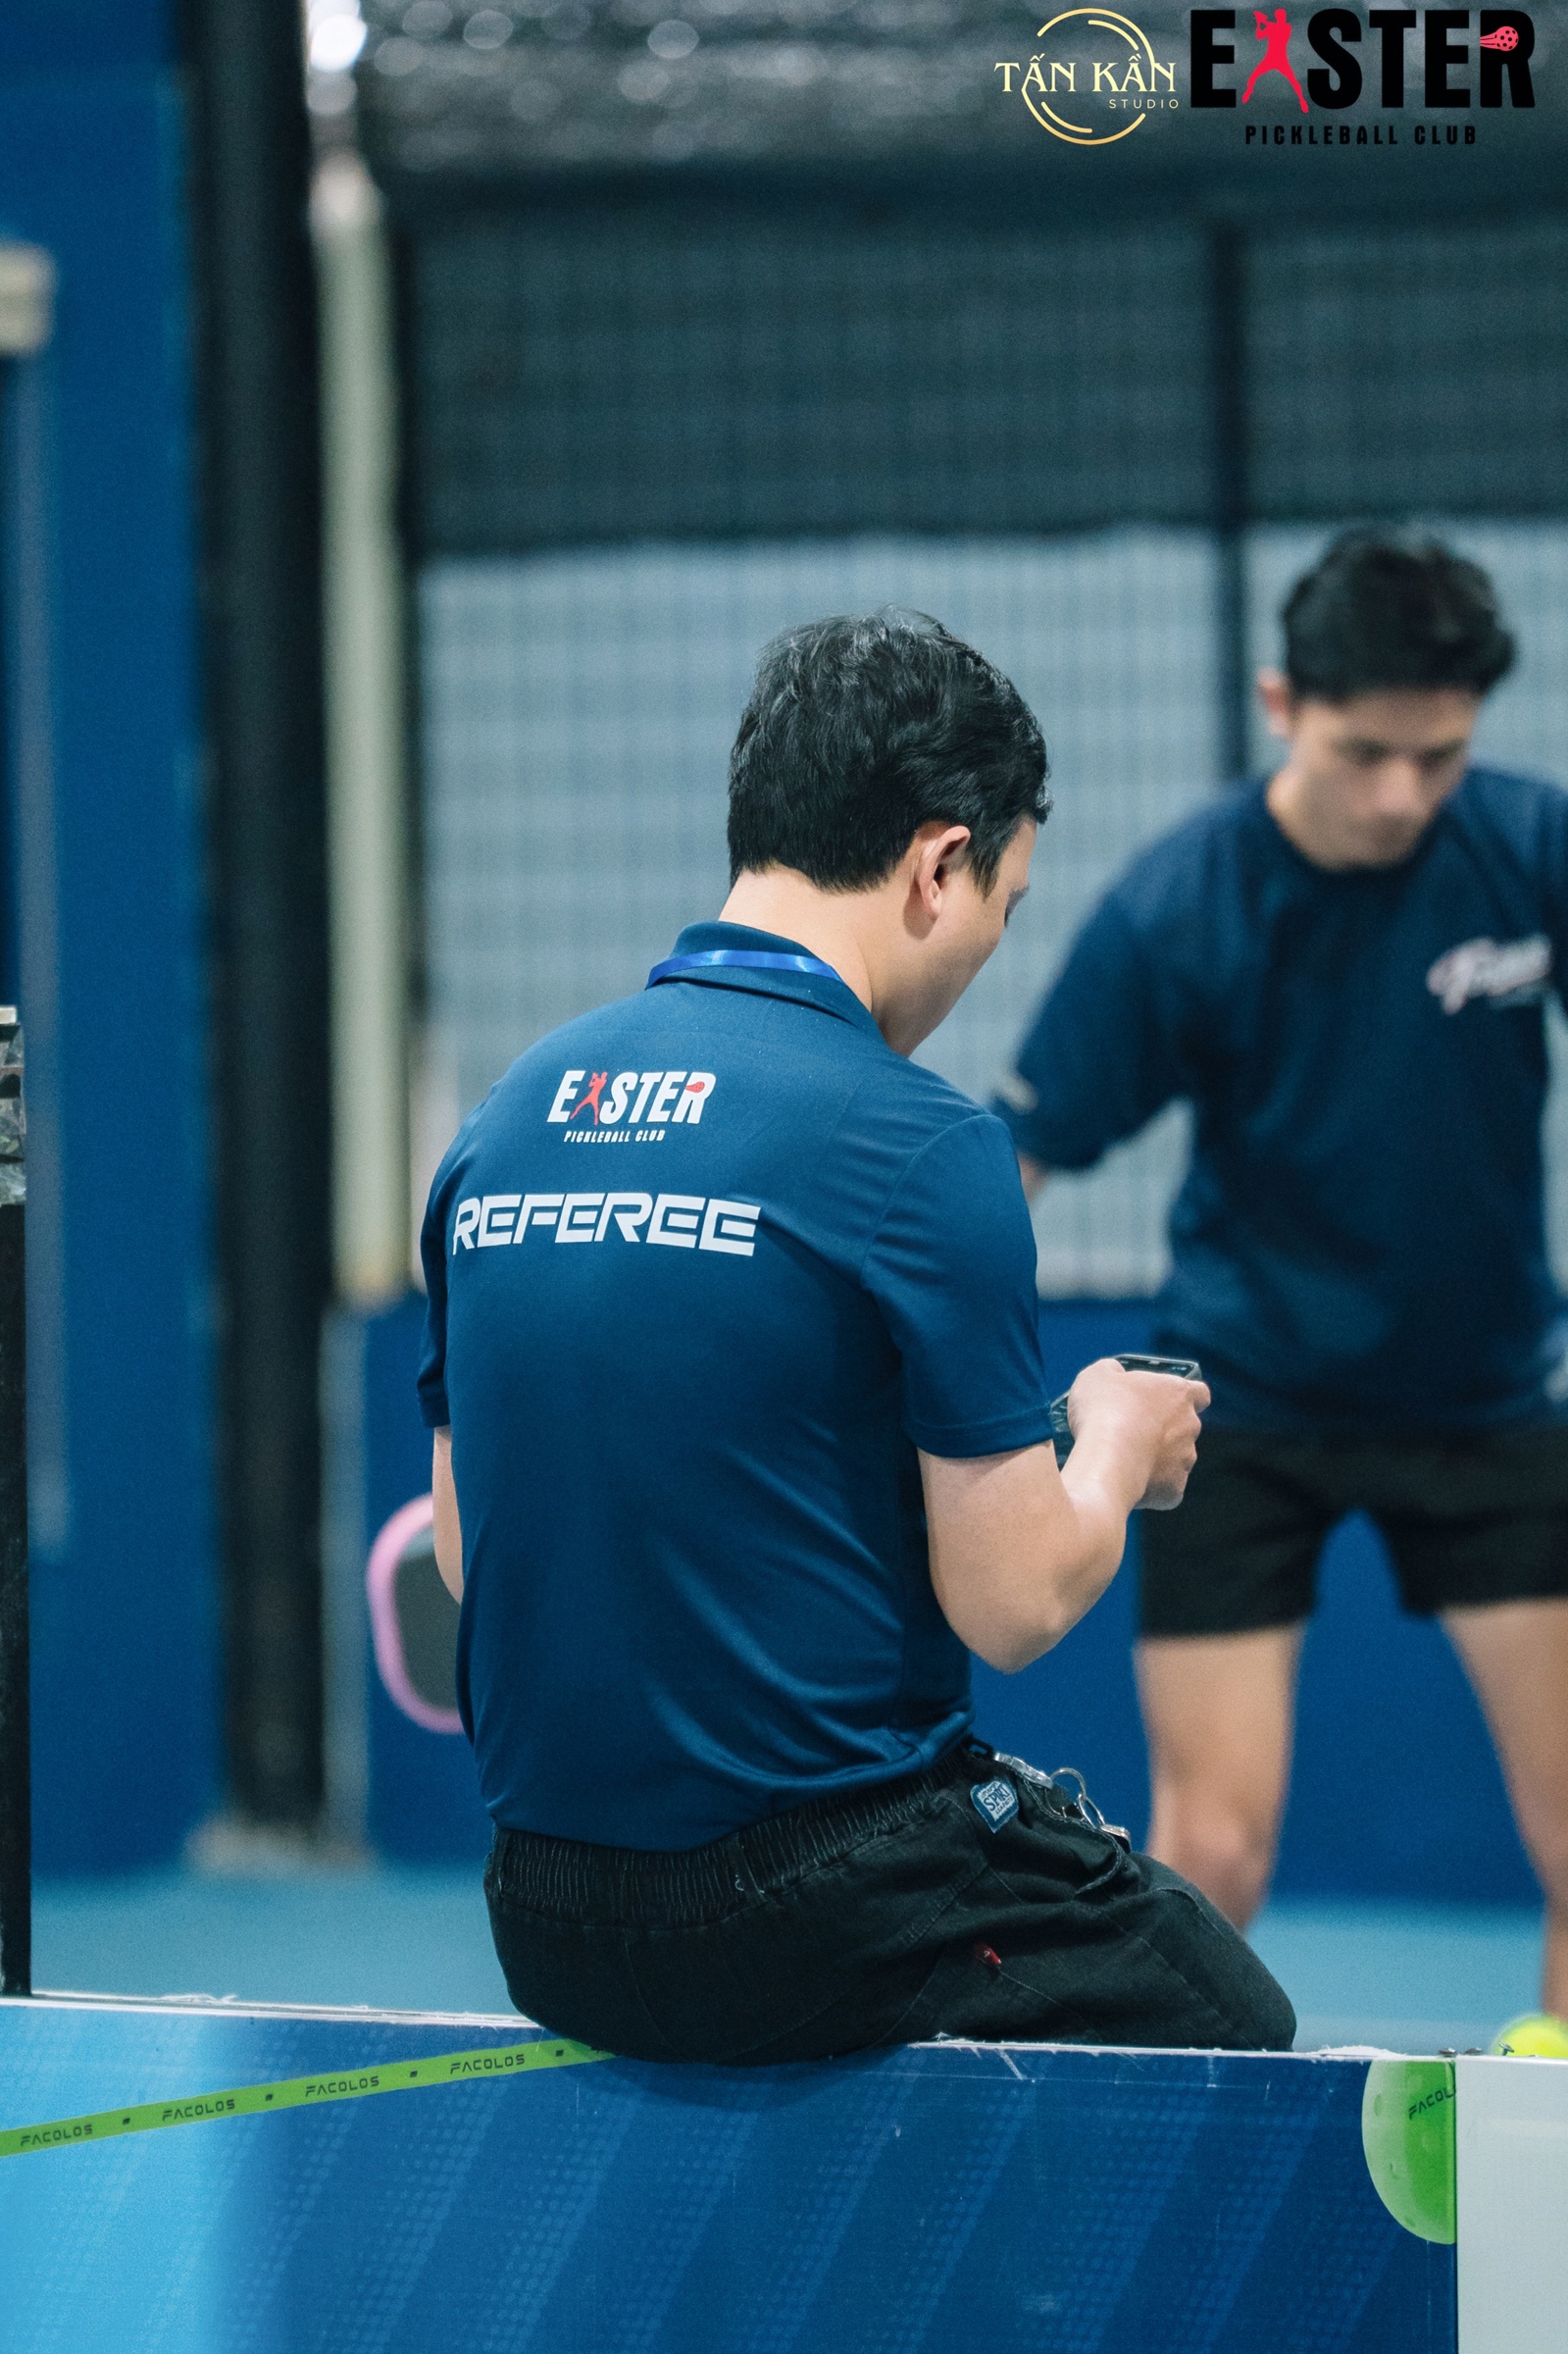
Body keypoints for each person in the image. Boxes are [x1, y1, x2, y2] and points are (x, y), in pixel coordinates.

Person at [419, 609, 1293, 2065]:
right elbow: (1013, 1604)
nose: (992, 944)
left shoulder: (503, 1120)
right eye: (1008, 902)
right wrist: (1115, 1446)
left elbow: (466, 1554)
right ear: (939, 865)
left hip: (544, 1916)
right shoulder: (921, 1144)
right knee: (1224, 2015)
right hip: (816, 1911)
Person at [994, 534, 1568, 2017]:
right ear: (1280, 705)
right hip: (1238, 1411)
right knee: (1214, 1854)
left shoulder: (1532, 849)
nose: (1402, 796)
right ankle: (1163, 2129)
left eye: (1438, 758)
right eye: (1365, 752)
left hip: (1489, 1401)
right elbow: (1016, 1158)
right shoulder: (1180, 905)